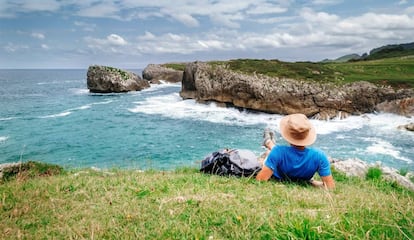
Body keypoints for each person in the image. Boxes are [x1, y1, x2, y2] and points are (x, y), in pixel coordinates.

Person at [256, 113, 335, 189]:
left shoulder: (278, 151)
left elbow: (261, 180)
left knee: (270, 153)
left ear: (287, 135)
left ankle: (268, 142)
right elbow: (330, 187)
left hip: (278, 175)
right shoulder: (319, 155)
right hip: (304, 180)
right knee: (276, 151)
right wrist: (310, 182)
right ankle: (269, 142)